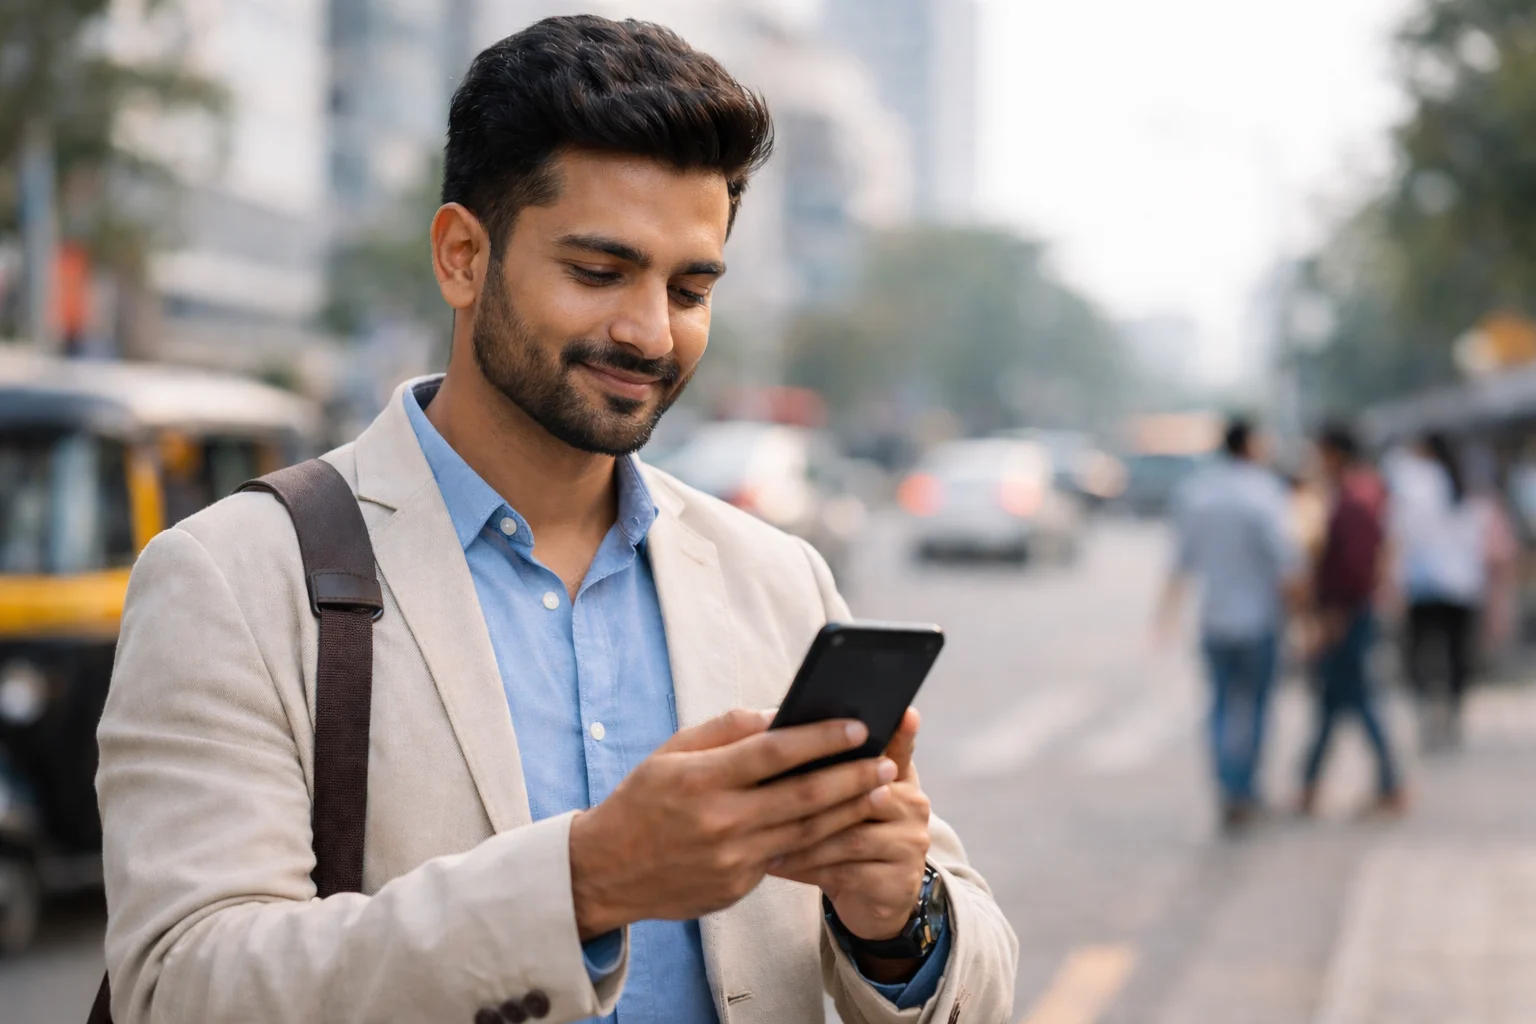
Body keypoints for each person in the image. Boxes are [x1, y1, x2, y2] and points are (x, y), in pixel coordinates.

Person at [94, 18, 1017, 1024]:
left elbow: (975, 975)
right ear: (461, 257)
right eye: (599, 271)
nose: (651, 331)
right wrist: (586, 883)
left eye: (691, 286)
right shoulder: (233, 577)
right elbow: (179, 986)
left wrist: (897, 916)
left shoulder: (776, 576)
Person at [1156, 417, 1300, 833]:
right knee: (1254, 707)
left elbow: (1180, 563)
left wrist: (1164, 617)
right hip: (1259, 620)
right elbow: (1288, 564)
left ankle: (1227, 784)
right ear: (1251, 445)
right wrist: (1304, 614)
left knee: (1220, 705)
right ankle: (1245, 788)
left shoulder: (1198, 494)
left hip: (1215, 619)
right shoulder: (1265, 493)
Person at [1299, 424, 1406, 816]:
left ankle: (1388, 783)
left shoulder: (1354, 498)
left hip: (1347, 613)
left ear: (1334, 453)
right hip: (1351, 610)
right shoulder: (1360, 491)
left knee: (1353, 698)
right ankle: (1310, 784)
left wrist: (1335, 613)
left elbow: (1355, 567)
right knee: (1336, 701)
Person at [1389, 432, 1496, 750]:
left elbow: (1403, 534)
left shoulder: (1415, 483)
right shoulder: (1463, 484)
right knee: (1456, 653)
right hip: (1462, 586)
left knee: (1419, 652)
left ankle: (1427, 713)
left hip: (1425, 585)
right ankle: (1452, 713)